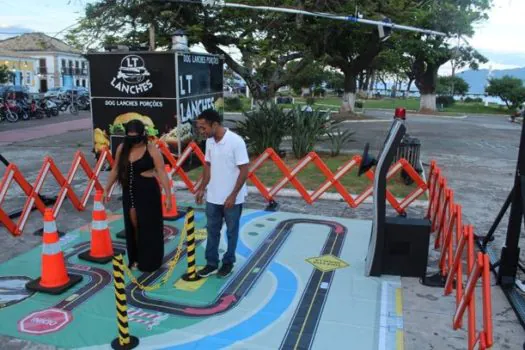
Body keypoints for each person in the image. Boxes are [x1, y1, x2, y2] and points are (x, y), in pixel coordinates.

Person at [103, 119, 172, 272]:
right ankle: (135, 258)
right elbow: (115, 170)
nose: (134, 142)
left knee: (149, 225)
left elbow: (161, 171)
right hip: (129, 191)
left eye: (137, 138)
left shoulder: (151, 149)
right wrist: (106, 189)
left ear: (143, 135)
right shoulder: (123, 148)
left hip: (148, 191)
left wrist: (167, 195)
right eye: (130, 138)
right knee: (132, 224)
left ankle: (150, 260)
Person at [195, 109, 249, 278]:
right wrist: (202, 187)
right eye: (200, 128)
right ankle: (211, 263)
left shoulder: (236, 142)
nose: (201, 131)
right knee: (212, 230)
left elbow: (244, 170)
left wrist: (233, 195)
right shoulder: (209, 141)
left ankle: (228, 262)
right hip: (213, 196)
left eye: (203, 128)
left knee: (231, 232)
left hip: (232, 198)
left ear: (215, 124)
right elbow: (208, 165)